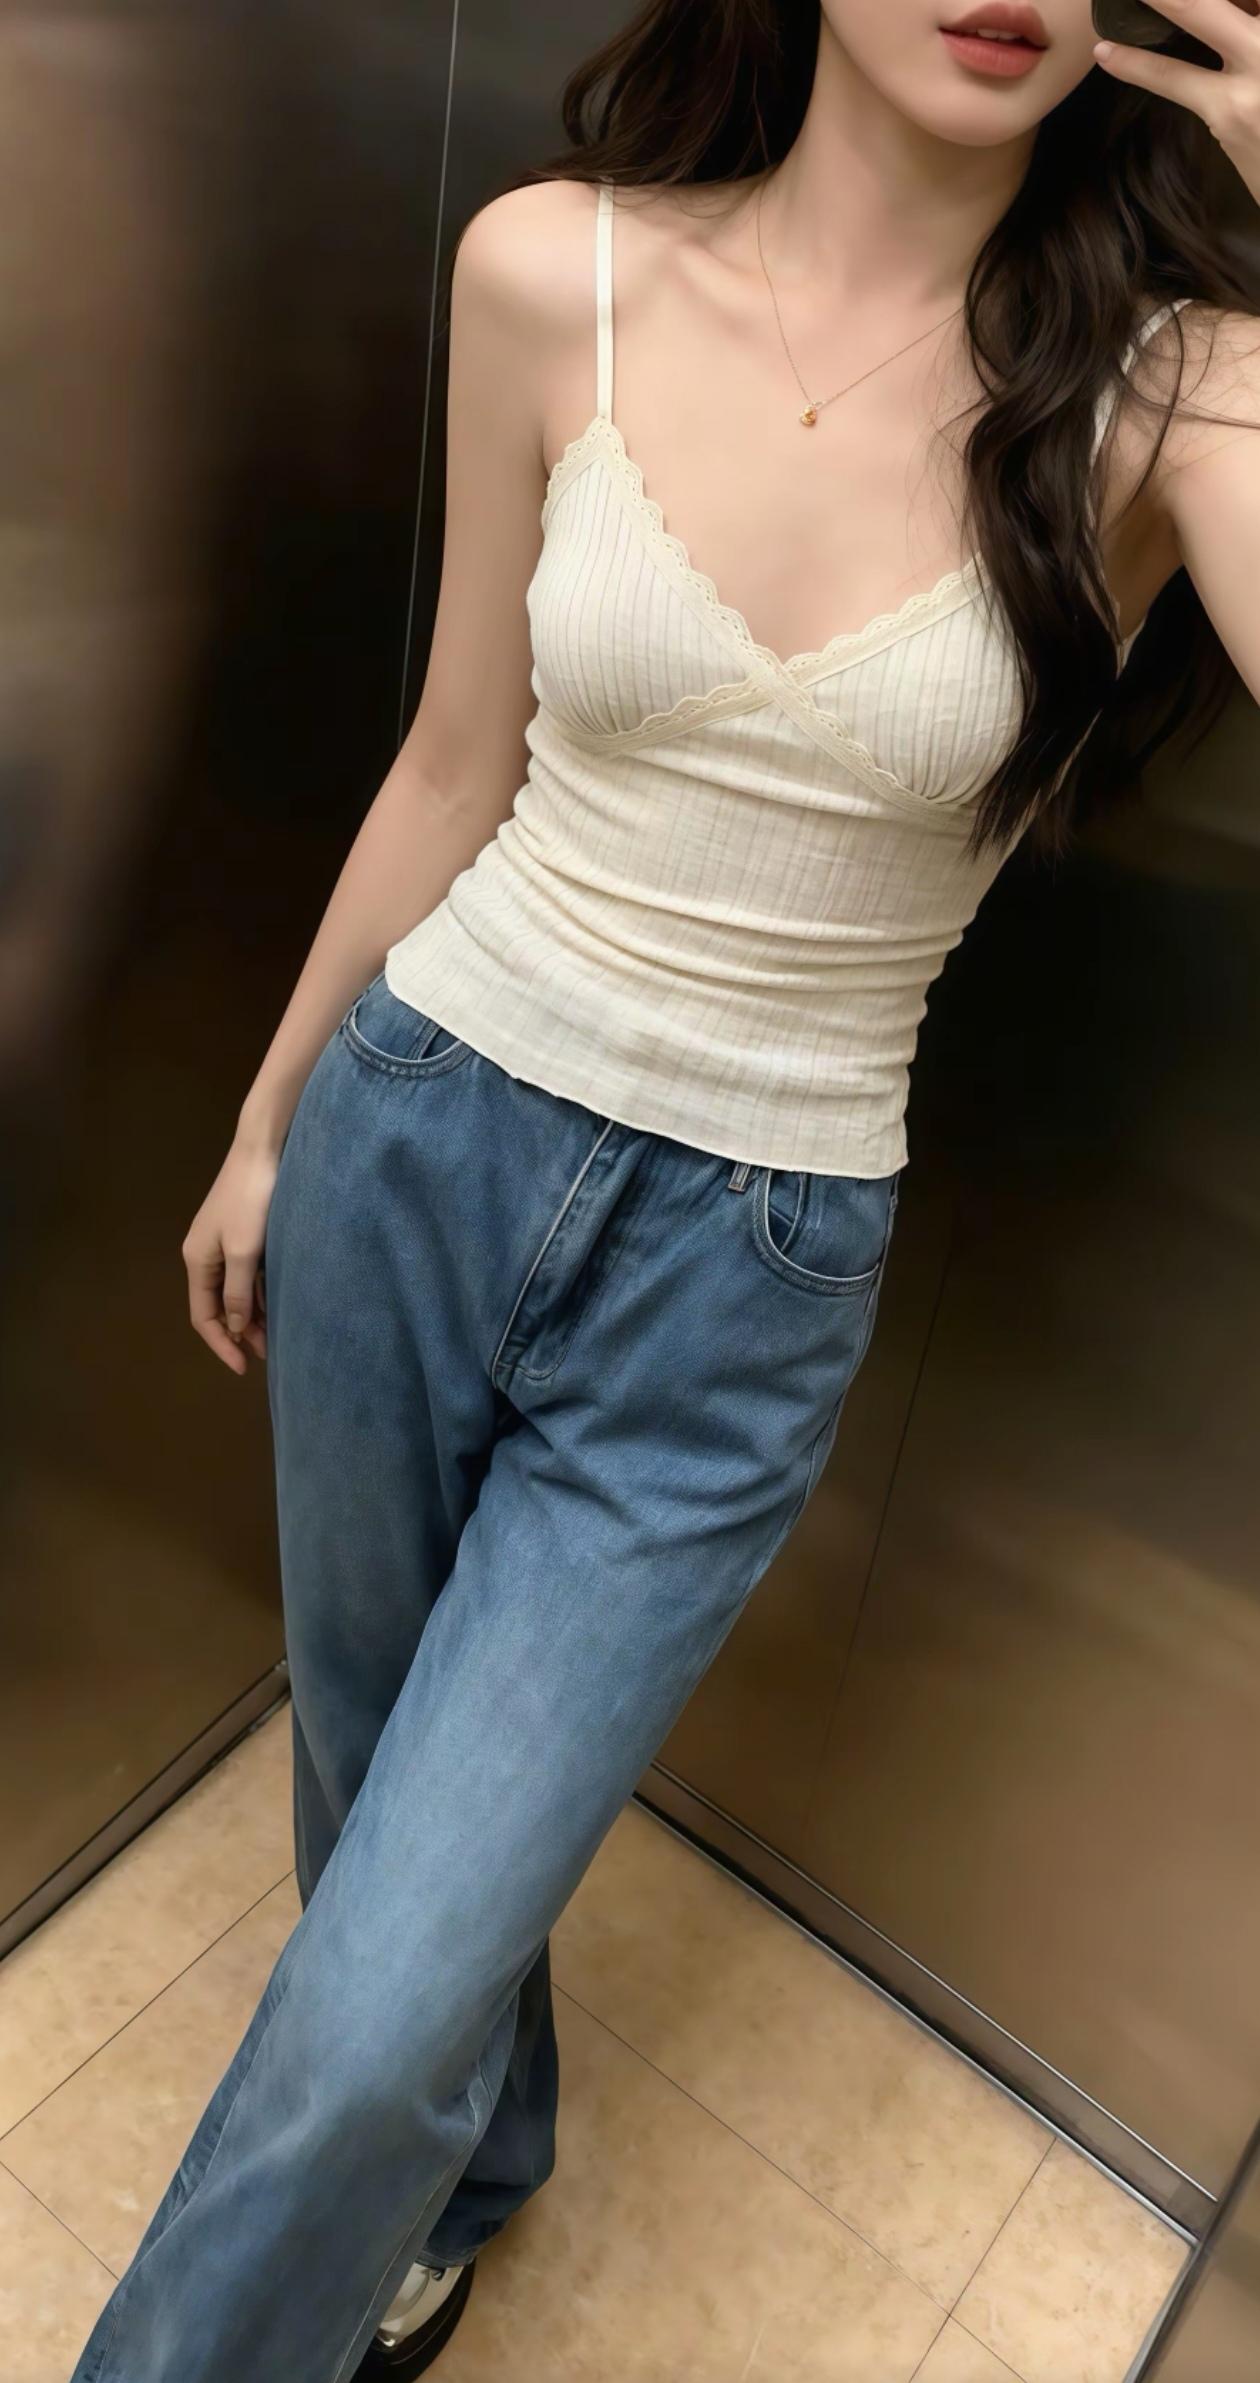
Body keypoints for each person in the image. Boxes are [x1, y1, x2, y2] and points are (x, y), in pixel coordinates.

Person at [71, 1, 1260, 2377]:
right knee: (365, 1793)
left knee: (364, 2012)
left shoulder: (1180, 394)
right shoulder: (553, 268)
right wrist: (271, 1117)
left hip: (740, 1284)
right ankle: (470, 2177)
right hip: (417, 1132)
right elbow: (451, 761)